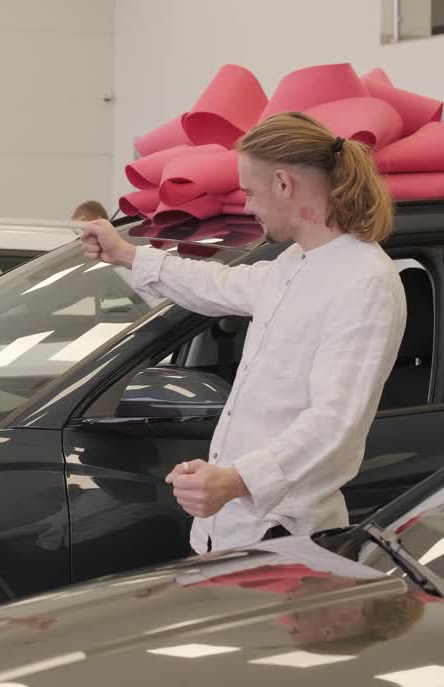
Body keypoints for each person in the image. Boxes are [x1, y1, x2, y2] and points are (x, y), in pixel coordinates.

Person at [79, 111, 407, 554]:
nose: (248, 207)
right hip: (232, 528)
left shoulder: (364, 282)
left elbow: (335, 422)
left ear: (283, 184)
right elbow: (218, 283)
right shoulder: (294, 264)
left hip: (286, 538)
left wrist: (237, 480)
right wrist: (126, 254)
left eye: (250, 192)